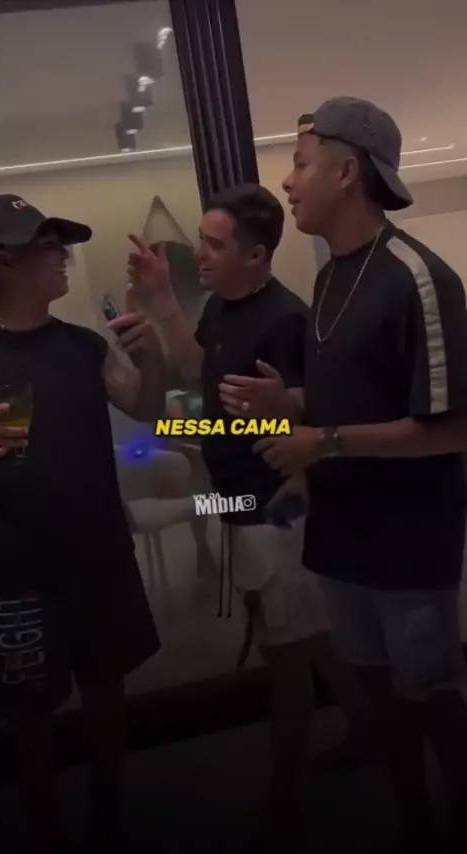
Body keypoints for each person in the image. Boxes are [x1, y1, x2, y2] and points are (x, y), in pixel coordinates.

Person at [222, 98, 467, 852]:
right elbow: (352, 394)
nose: (287, 182)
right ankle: (414, 823)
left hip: (407, 540)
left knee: (432, 697)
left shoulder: (417, 278)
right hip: (343, 534)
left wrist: (319, 442)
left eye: (300, 163)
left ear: (347, 171)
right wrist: (290, 404)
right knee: (379, 693)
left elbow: (450, 428)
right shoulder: (330, 277)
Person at [127, 183, 372, 845]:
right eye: (201, 240)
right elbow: (200, 373)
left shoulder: (286, 320)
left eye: (214, 244)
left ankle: (284, 799)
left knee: (285, 657)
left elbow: (316, 413)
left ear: (256, 255)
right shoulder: (222, 307)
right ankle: (367, 730)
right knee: (310, 638)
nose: (200, 253)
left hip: (276, 510)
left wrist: (287, 457)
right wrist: (161, 300)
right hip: (240, 502)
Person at [0, 194, 164, 852]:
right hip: (15, 568)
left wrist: (151, 355)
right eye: (46, 245)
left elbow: (144, 408)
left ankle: (108, 820)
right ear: (4, 260)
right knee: (29, 714)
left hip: (99, 556)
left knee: (106, 689)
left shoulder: (83, 347)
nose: (63, 255)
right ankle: (46, 834)